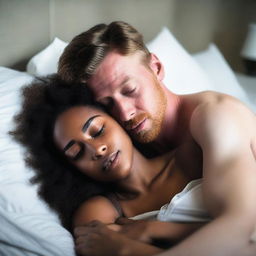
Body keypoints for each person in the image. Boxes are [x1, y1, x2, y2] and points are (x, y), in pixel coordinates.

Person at [57, 21, 256, 256]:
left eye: (130, 90)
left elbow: (243, 227)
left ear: (157, 68)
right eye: (107, 104)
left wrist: (139, 239)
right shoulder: (127, 151)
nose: (124, 113)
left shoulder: (215, 117)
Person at [12, 75, 206, 254]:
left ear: (118, 120)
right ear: (73, 168)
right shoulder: (98, 211)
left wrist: (150, 230)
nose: (97, 150)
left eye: (97, 131)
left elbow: (236, 229)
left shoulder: (195, 153)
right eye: (77, 153)